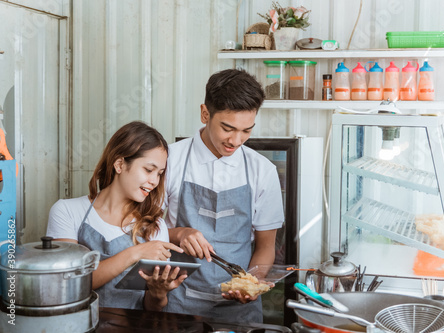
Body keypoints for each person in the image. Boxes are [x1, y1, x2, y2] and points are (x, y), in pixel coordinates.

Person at [164, 69, 285, 323]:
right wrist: (179, 233)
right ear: (205, 114)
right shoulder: (169, 160)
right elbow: (140, 230)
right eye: (228, 128)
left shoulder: (262, 170)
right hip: (178, 302)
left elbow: (265, 247)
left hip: (240, 312)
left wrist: (253, 282)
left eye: (246, 131)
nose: (236, 140)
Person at [46, 121, 186, 311]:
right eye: (148, 170)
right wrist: (135, 253)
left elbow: (153, 309)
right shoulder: (67, 211)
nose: (154, 181)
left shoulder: (156, 226)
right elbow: (68, 284)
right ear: (120, 164)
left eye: (160, 173)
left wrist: (158, 293)